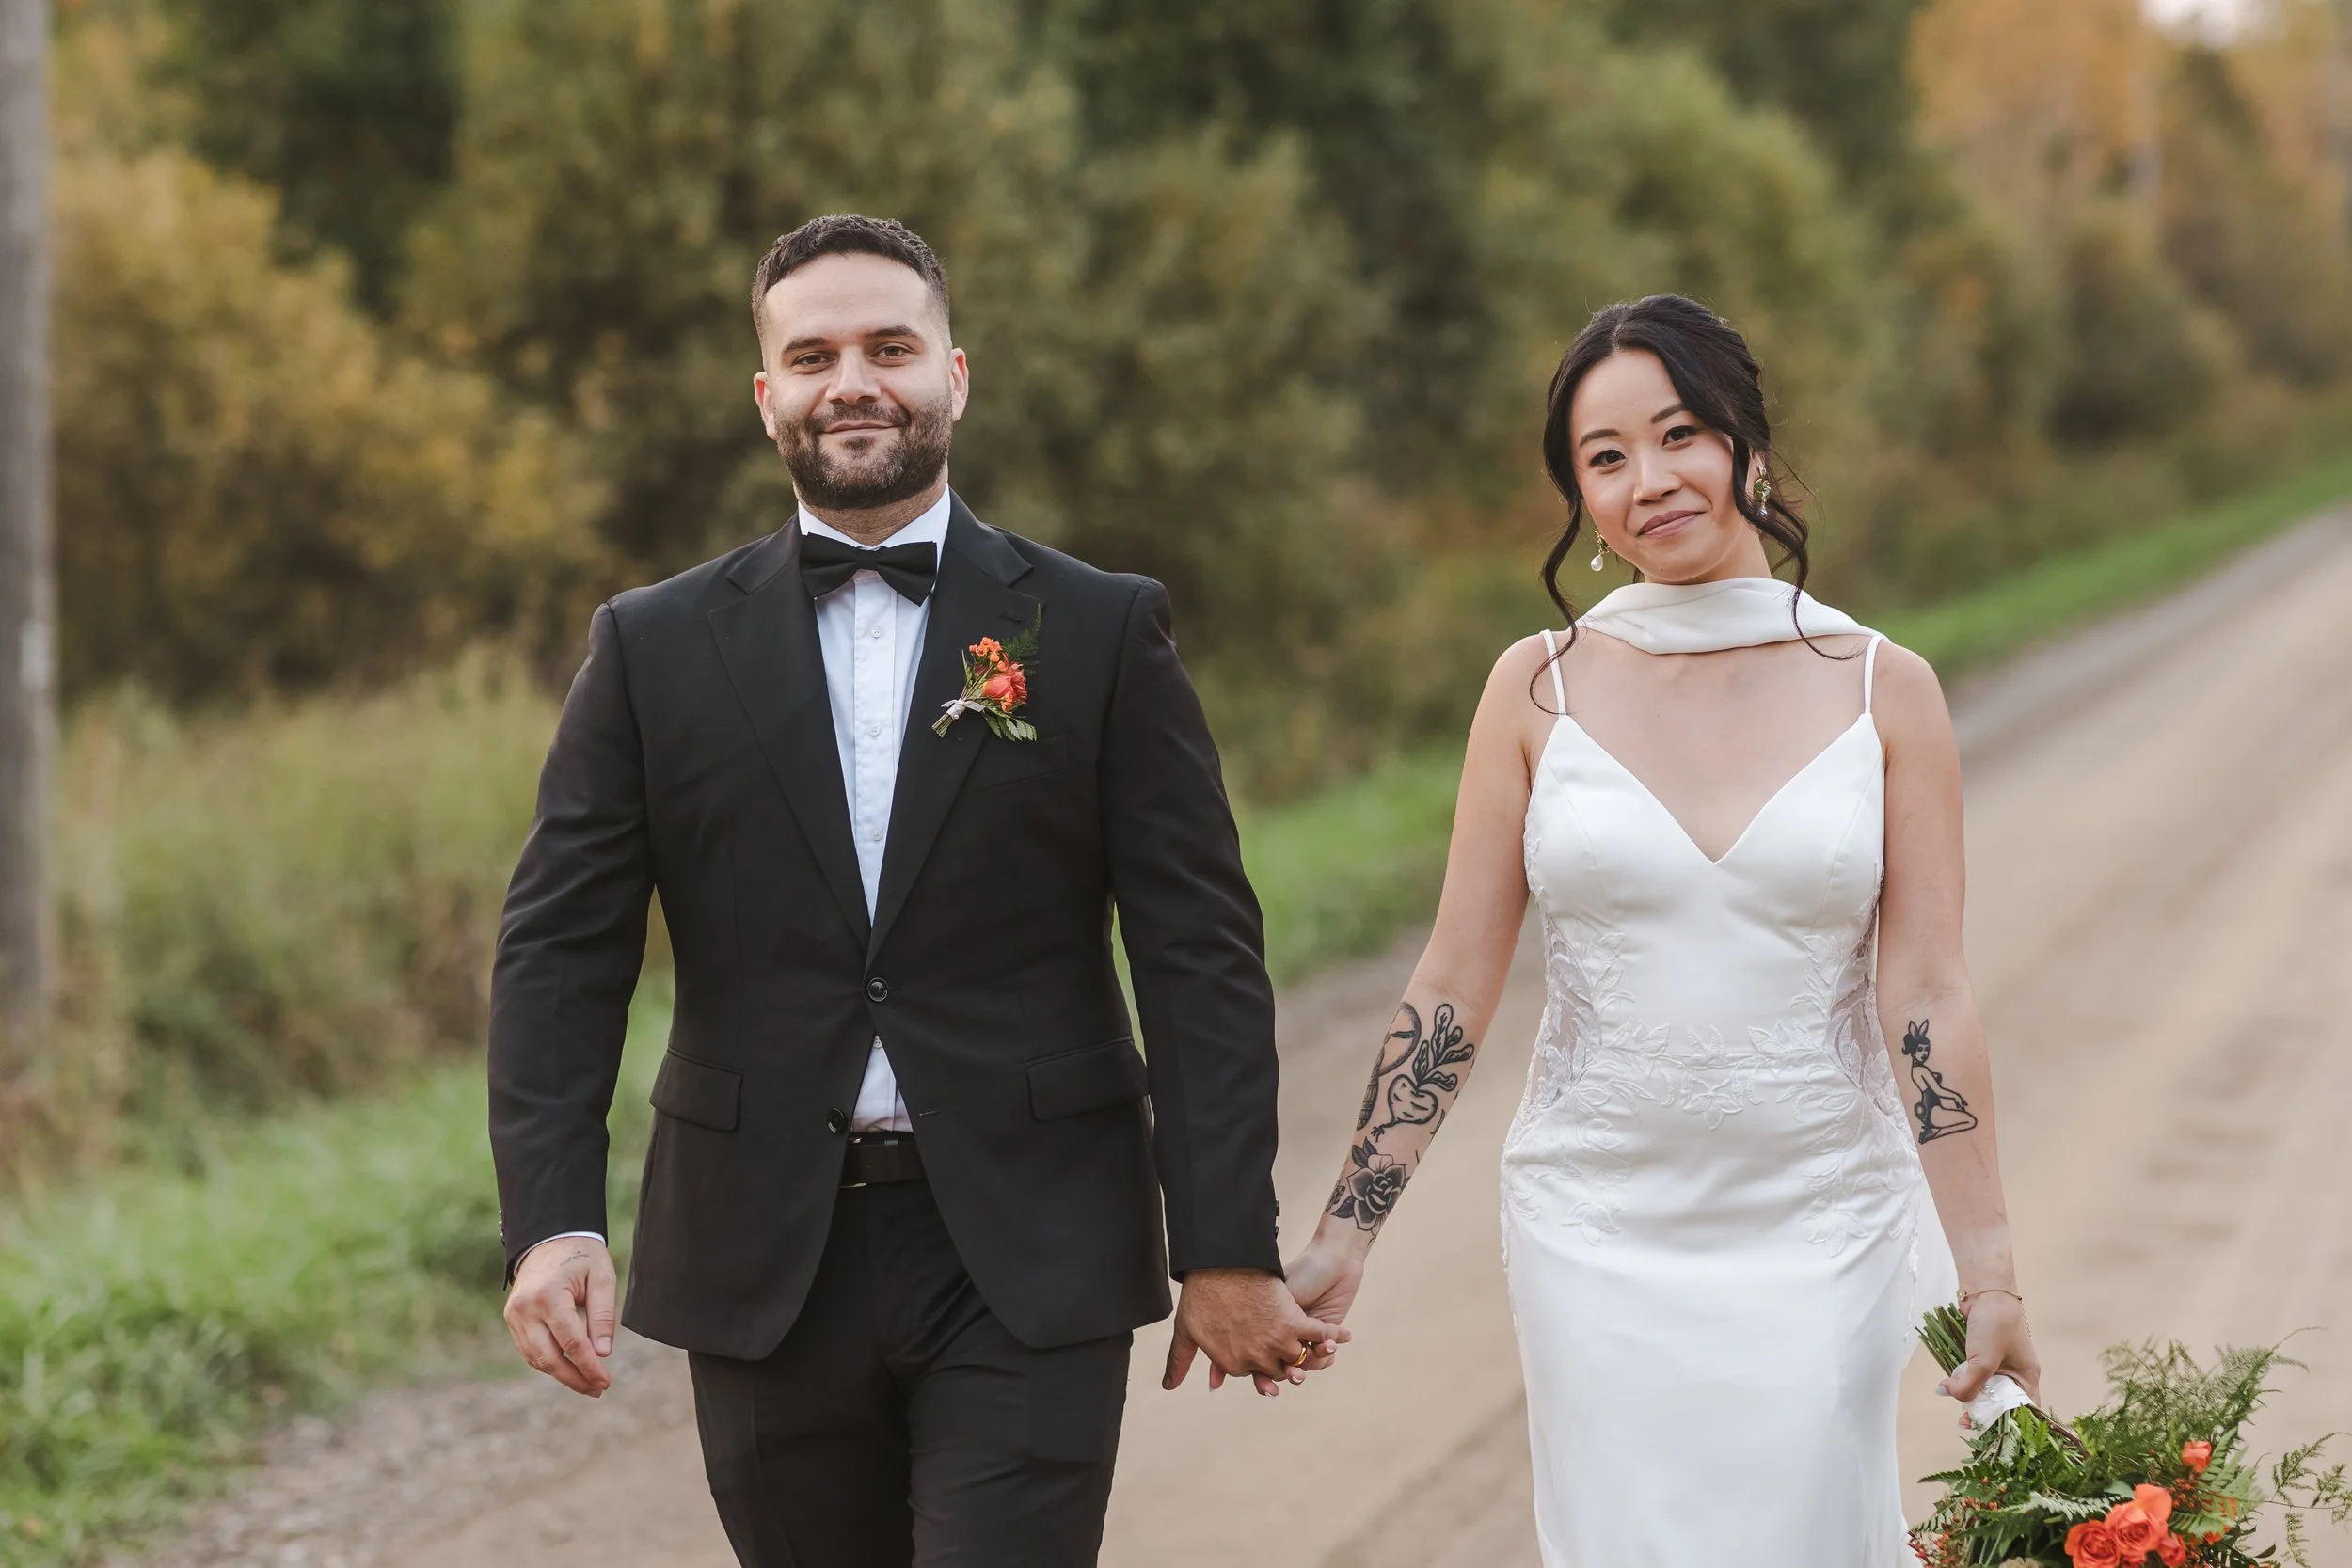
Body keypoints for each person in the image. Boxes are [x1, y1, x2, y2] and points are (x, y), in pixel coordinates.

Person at [486, 214, 1343, 1568]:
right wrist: (553, 1219)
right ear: (767, 394)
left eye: (890, 346)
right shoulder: (648, 648)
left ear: (957, 372)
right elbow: (558, 953)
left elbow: (1197, 951)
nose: (855, 381)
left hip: (1032, 1238)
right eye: (813, 354)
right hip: (764, 1247)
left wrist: (1226, 1238)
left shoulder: (1101, 626)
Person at [1281, 294, 2040, 1563]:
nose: (1651, 480)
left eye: (1680, 433)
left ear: (1745, 442)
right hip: (1598, 1226)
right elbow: (1455, 981)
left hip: (1822, 1216)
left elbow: (1926, 992)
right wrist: (1348, 1228)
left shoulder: (1882, 686)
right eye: (1607, 457)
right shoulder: (1536, 686)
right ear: (1580, 497)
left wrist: (1991, 1269)